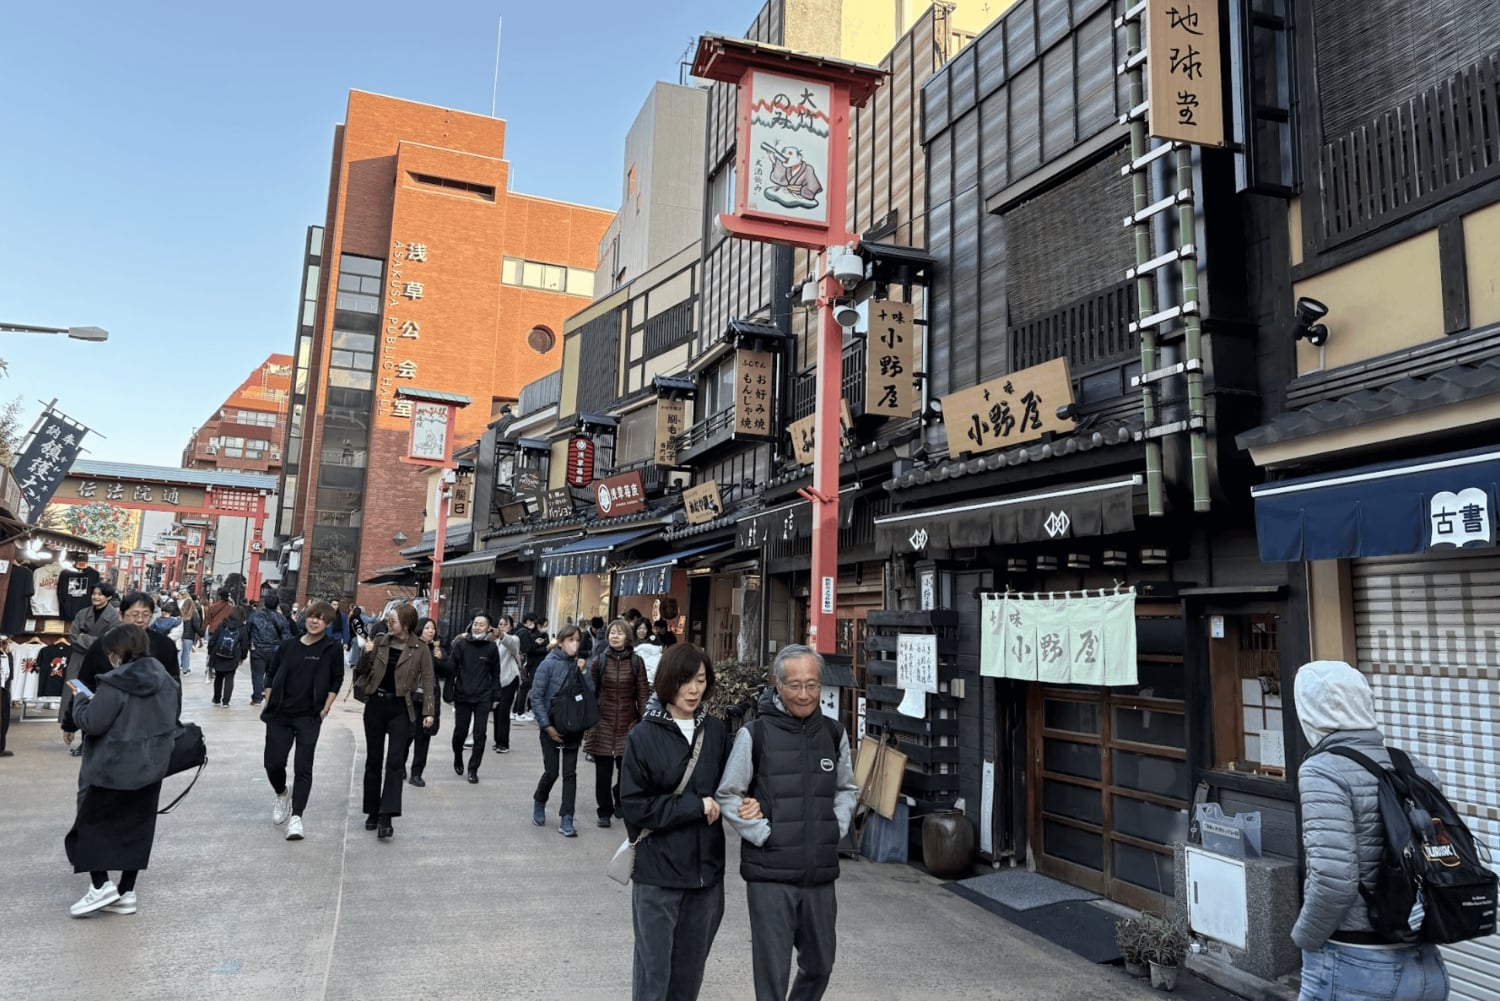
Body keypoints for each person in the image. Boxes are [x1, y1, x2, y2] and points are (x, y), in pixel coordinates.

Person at [1291, 660, 1450, 1001]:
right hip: (1426, 965)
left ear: (1311, 712)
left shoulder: (1322, 770)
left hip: (1357, 964)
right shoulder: (1413, 767)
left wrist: (1304, 938)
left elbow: (1334, 881)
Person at [717, 645, 857, 1001]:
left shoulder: (834, 733)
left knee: (821, 964)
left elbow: (846, 788)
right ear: (777, 686)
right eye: (795, 686)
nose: (805, 694)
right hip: (770, 875)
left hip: (819, 874)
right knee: (772, 973)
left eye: (812, 685)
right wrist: (763, 833)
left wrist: (834, 828)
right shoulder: (755, 734)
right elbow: (729, 794)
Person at [620, 643, 733, 1001]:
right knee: (654, 975)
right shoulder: (643, 735)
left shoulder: (715, 732)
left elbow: (730, 790)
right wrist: (694, 806)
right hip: (658, 875)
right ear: (668, 681)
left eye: (700, 680)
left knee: (689, 976)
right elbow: (635, 807)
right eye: (685, 680)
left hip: (706, 876)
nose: (694, 689)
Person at [63, 624, 178, 917]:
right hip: (151, 767)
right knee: (135, 830)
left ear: (118, 652)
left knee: (91, 827)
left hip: (111, 768)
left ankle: (100, 886)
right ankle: (126, 892)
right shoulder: (167, 682)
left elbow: (93, 723)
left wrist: (80, 701)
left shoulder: (115, 683)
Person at [261, 600, 344, 842]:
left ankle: (297, 817)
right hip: (280, 714)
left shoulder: (332, 648)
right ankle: (281, 793)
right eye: (312, 616)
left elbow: (336, 680)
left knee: (303, 767)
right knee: (273, 763)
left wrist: (325, 709)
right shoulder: (288, 646)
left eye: (321, 618)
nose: (315, 621)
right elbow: (271, 673)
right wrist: (269, 699)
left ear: (328, 624)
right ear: (305, 618)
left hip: (309, 715)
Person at [352, 603, 435, 839]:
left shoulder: (420, 648)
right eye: (388, 619)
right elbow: (361, 672)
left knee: (395, 763)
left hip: (401, 707)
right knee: (374, 760)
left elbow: (428, 681)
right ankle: (372, 810)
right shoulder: (380, 641)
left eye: (393, 619)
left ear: (407, 623)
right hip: (376, 706)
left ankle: (386, 816)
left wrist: (429, 712)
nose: (389, 623)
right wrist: (366, 653)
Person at [584, 618, 649, 828]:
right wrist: (589, 719)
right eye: (612, 633)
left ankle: (620, 797)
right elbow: (590, 692)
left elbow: (643, 693)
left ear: (627, 637)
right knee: (602, 772)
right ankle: (604, 811)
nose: (615, 636)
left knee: (627, 769)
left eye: (620, 633)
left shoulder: (636, 662)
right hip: (602, 722)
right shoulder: (599, 661)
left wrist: (645, 720)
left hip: (629, 721)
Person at [529, 624, 588, 837]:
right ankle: (539, 799)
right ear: (561, 642)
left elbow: (587, 695)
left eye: (578, 640)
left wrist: (583, 672)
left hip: (573, 727)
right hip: (551, 727)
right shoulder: (548, 665)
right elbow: (536, 697)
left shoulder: (579, 665)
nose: (575, 644)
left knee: (570, 774)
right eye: (571, 639)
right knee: (552, 771)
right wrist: (546, 726)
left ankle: (567, 818)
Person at [61, 583, 121, 755]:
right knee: (77, 694)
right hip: (78, 659)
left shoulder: (114, 617)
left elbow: (109, 642)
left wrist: (84, 638)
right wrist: (94, 641)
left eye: (100, 594)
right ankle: (73, 730)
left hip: (102, 663)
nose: (96, 597)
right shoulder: (82, 613)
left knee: (96, 699)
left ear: (109, 597)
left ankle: (88, 740)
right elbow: (73, 637)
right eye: (94, 593)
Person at [447, 611, 499, 783]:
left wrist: (496, 696)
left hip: (483, 696)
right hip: (462, 694)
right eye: (475, 623)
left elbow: (496, 674)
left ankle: (473, 768)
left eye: (481, 624)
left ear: (489, 628)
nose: (477, 627)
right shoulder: (461, 645)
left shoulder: (492, 648)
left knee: (480, 734)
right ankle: (458, 756)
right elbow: (451, 669)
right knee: (460, 733)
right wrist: (449, 692)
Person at [406, 617, 443, 787]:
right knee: (406, 736)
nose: (431, 631)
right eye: (427, 627)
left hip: (429, 700)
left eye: (433, 628)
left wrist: (440, 658)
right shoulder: (410, 646)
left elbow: (447, 671)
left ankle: (417, 773)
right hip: (411, 699)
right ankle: (399, 766)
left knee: (423, 738)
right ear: (419, 629)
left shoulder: (437, 650)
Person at [246, 595, 292, 706]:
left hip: (257, 649)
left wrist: (249, 645)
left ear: (265, 603)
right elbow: (286, 637)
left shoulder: (255, 616)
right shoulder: (281, 618)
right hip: (275, 650)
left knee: (257, 674)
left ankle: (257, 697)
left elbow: (247, 631)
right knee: (271, 674)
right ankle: (268, 694)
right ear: (277, 605)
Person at [490, 614, 522, 754]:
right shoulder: (494, 641)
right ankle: (498, 740)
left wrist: (501, 635)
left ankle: (504, 743)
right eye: (500, 624)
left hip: (510, 679)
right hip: (497, 681)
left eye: (505, 624)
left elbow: (510, 643)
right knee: (496, 710)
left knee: (503, 710)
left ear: (511, 626)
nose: (502, 626)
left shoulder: (513, 639)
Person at [207, 605, 249, 707]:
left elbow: (214, 639)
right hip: (233, 656)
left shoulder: (223, 624)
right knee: (229, 678)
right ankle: (226, 701)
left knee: (218, 677)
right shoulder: (242, 628)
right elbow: (244, 645)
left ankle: (216, 699)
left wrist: (210, 650)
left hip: (218, 654)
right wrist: (243, 657)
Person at [512, 612, 546, 721]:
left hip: (518, 662)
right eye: (534, 622)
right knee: (524, 686)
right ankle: (519, 712)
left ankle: (515, 711)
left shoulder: (518, 631)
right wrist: (537, 644)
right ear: (528, 621)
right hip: (524, 663)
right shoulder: (525, 632)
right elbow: (528, 649)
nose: (535, 625)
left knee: (522, 686)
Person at [201, 588, 234, 686]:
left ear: (219, 596)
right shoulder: (231, 608)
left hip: (213, 630)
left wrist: (202, 631)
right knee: (220, 650)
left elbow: (207, 620)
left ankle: (209, 666)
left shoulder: (213, 607)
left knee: (211, 650)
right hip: (224, 631)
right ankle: (217, 668)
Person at [634, 620, 665, 685]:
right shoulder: (631, 643)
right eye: (639, 628)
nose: (641, 631)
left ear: (648, 630)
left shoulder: (654, 642)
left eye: (644, 629)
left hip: (649, 681)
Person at [176, 590, 200, 675]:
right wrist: (201, 634)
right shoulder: (194, 613)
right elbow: (196, 625)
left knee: (179, 652)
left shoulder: (180, 612)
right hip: (189, 635)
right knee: (186, 653)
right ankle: (185, 669)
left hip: (180, 634)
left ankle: (177, 667)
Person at [0, 634, 14, 757]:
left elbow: (9, 675)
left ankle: (1, 747)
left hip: (4, 688)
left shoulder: (7, 656)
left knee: (4, 718)